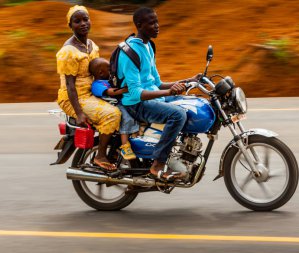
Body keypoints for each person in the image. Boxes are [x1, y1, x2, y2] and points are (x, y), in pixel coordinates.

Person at [118, 7, 200, 180]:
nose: (157, 26)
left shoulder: (148, 46)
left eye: (157, 21)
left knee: (189, 101)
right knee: (178, 115)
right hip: (135, 103)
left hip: (152, 95)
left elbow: (157, 83)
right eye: (152, 22)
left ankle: (179, 153)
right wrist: (169, 91)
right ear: (139, 25)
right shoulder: (130, 52)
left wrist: (188, 81)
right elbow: (136, 92)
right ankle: (158, 164)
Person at [56, 5, 121, 171]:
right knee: (112, 114)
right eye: (77, 21)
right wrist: (79, 113)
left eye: (85, 19)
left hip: (92, 92)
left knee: (126, 106)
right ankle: (100, 156)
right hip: (74, 98)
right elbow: (70, 86)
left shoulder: (92, 45)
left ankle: (116, 150)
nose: (83, 23)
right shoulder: (68, 52)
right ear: (70, 26)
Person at [89, 57, 138, 160]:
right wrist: (125, 89)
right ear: (101, 73)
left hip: (120, 103)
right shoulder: (97, 85)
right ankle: (125, 146)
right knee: (127, 118)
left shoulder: (108, 80)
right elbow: (110, 92)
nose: (112, 71)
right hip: (113, 106)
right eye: (109, 70)